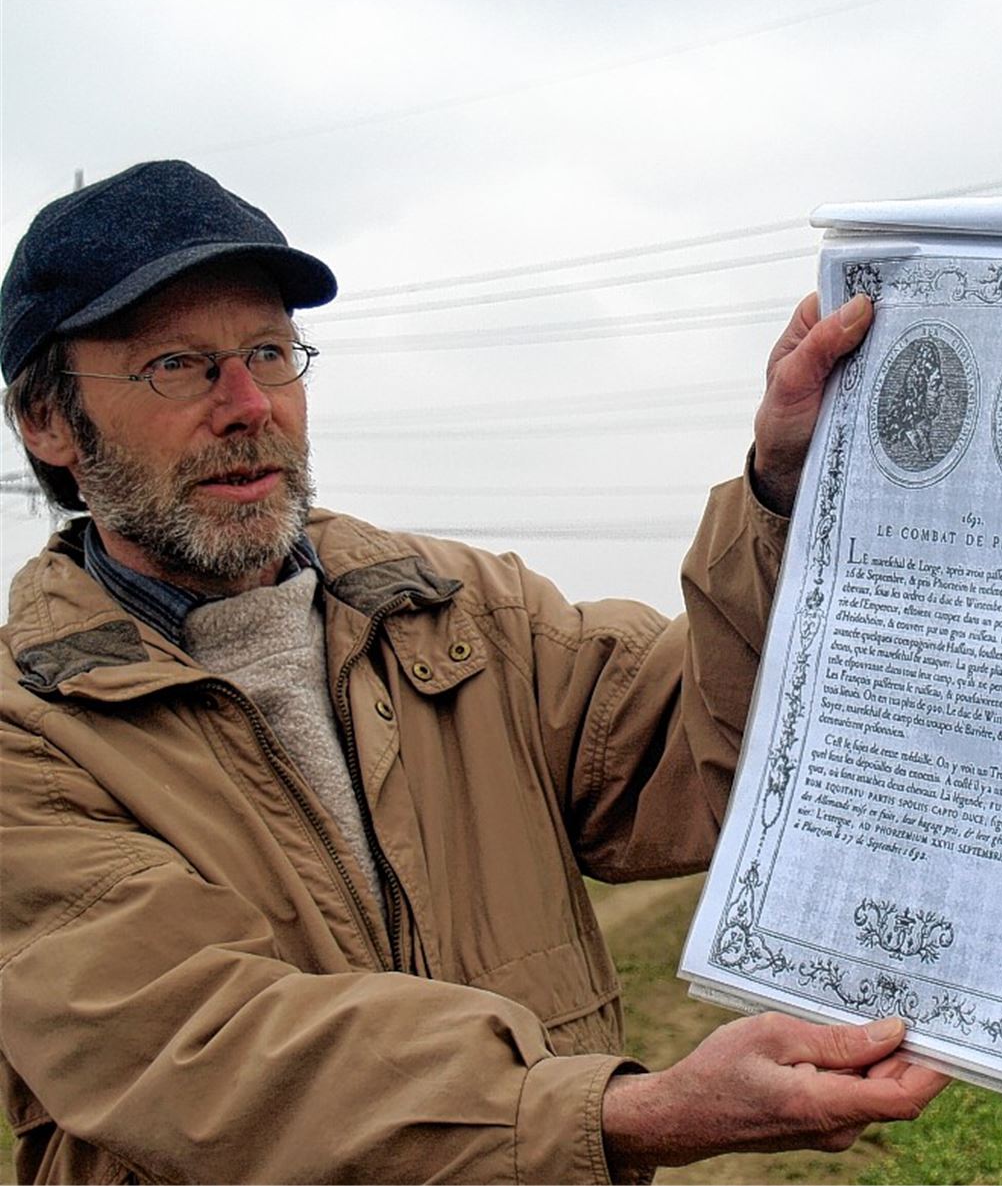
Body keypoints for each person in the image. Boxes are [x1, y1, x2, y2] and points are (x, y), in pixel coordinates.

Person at [0, 161, 947, 1184]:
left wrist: (786, 490)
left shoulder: (456, 609)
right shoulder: (32, 730)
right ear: (45, 421)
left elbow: (714, 741)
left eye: (269, 352)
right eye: (176, 365)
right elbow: (206, 1054)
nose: (247, 405)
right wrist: (625, 1111)